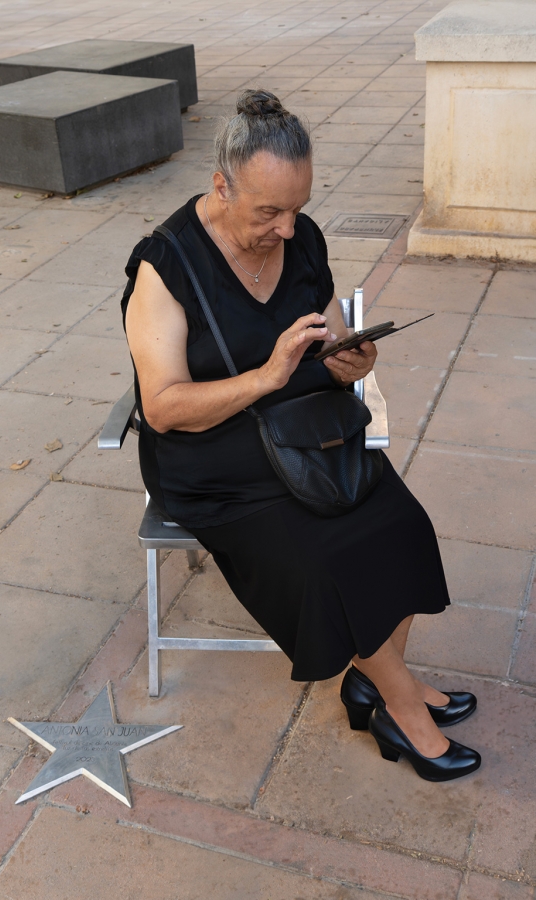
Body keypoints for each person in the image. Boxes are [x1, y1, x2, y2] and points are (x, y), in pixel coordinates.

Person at [122, 89, 480, 782]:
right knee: (327, 560)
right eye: (268, 211)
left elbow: (326, 332)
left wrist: (353, 358)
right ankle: (401, 708)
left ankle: (374, 680)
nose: (288, 228)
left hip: (304, 432)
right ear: (221, 185)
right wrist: (265, 375)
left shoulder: (302, 239)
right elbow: (163, 408)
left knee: (402, 524)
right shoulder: (164, 268)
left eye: (297, 208)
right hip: (213, 460)